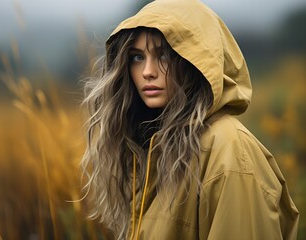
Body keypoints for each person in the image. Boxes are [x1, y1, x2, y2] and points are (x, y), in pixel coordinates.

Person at [81, 0, 299, 239]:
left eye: (163, 55)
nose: (147, 71)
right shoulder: (159, 148)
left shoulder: (231, 151)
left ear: (196, 61)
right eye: (137, 57)